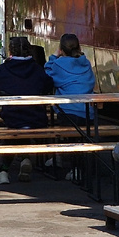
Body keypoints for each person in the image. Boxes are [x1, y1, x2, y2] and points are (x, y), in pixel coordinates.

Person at [0, 38, 54, 184]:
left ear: (10, 51)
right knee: (25, 126)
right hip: (36, 117)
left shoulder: (2, 70)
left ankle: (3, 171)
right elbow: (48, 87)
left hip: (12, 117)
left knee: (14, 131)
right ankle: (25, 158)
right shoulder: (38, 69)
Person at [45, 33, 96, 182]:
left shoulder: (58, 65)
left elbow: (47, 75)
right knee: (82, 135)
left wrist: (54, 56)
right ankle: (69, 161)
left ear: (61, 49)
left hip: (67, 112)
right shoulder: (85, 63)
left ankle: (73, 166)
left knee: (65, 130)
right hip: (88, 113)